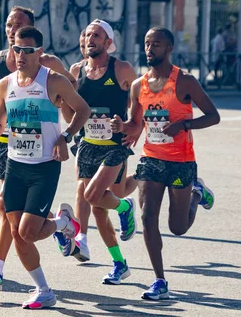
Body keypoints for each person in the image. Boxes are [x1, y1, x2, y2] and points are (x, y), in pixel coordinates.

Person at [0, 26, 89, 309]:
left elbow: (83, 109)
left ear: (40, 53)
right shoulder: (6, 85)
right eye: (17, 49)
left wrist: (66, 137)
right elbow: (0, 126)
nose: (21, 55)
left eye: (28, 50)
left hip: (44, 167)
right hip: (16, 165)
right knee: (18, 233)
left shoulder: (53, 81)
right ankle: (43, 290)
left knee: (28, 232)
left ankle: (63, 223)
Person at [0, 6, 75, 292]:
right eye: (8, 24)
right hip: (2, 143)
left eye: (18, 25)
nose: (11, 30)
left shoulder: (48, 64)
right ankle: (58, 226)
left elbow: (73, 91)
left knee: (5, 207)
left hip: (38, 153)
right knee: (10, 213)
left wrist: (65, 135)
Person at [111, 26, 220, 300]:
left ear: (169, 48)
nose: (150, 49)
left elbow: (213, 116)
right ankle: (159, 280)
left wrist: (184, 124)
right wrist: (120, 126)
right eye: (147, 43)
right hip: (151, 159)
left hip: (181, 162)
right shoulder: (138, 86)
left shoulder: (184, 81)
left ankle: (196, 192)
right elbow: (136, 124)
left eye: (156, 44)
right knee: (148, 218)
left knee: (178, 228)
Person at [56, 19, 139, 285]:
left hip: (115, 145)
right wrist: (62, 103)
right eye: (88, 34)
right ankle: (119, 264)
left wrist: (132, 127)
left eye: (97, 35)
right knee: (100, 208)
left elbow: (144, 99)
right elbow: (71, 113)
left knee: (92, 196)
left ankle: (125, 206)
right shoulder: (76, 71)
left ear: (107, 42)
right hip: (88, 144)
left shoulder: (122, 69)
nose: (90, 38)